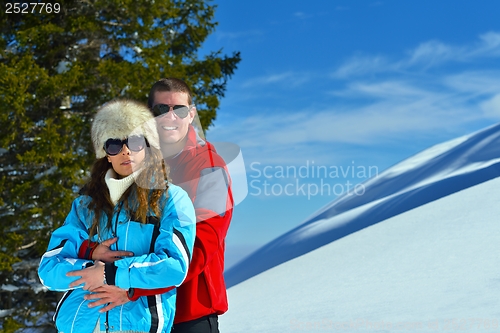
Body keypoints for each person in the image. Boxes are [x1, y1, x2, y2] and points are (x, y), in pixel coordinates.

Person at [80, 79, 234, 333]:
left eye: (180, 110)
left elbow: (201, 245)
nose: (170, 117)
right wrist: (93, 252)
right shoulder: (133, 159)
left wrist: (131, 286)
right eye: (162, 109)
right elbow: (97, 222)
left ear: (191, 114)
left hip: (188, 312)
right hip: (138, 315)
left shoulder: (209, 169)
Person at [38, 99, 196, 333]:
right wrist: (91, 264)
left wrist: (110, 274)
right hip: (79, 325)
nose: (125, 150)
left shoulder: (171, 199)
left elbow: (174, 266)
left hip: (136, 325)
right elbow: (49, 268)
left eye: (135, 142)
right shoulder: (84, 206)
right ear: (107, 155)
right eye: (114, 145)